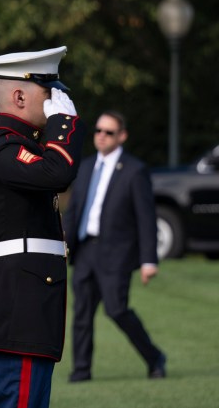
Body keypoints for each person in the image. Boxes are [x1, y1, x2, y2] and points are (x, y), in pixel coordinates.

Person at [0, 46, 83, 408]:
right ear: (20, 95)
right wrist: (66, 125)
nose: (58, 101)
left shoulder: (19, 148)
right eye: (50, 92)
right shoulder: (6, 149)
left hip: (21, 315)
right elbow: (58, 172)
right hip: (17, 317)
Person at [64, 111, 166, 381]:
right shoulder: (85, 167)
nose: (101, 136)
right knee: (82, 314)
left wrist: (149, 261)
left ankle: (154, 357)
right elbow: (73, 211)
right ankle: (81, 371)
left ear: (122, 136)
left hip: (116, 254)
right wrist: (62, 244)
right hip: (85, 251)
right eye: (98, 130)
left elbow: (146, 219)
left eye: (109, 132)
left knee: (116, 310)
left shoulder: (135, 170)